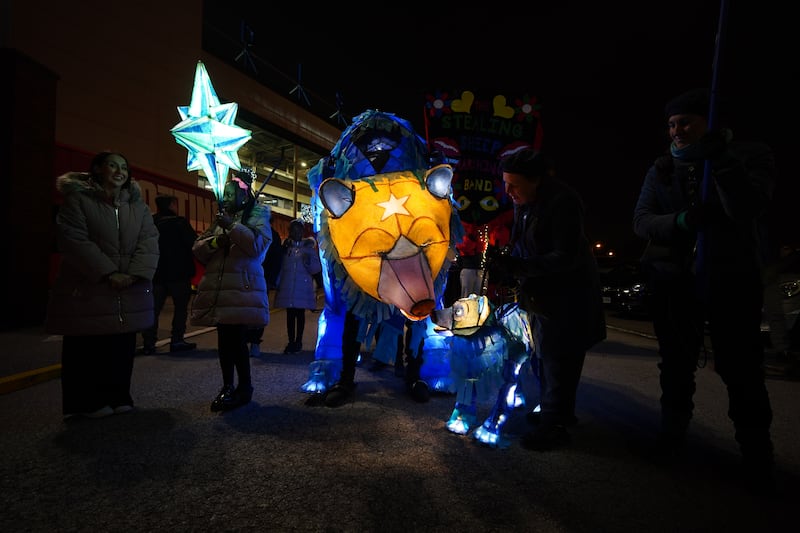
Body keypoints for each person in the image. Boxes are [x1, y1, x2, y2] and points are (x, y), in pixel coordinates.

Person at [633, 88, 777, 494]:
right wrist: (680, 221)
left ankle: (756, 454)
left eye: (686, 123)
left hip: (731, 277)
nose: (677, 131)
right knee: (675, 365)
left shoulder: (751, 155)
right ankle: (672, 439)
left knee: (741, 368)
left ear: (710, 122)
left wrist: (724, 162)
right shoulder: (662, 167)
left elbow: (748, 209)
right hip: (673, 281)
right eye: (672, 125)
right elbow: (642, 220)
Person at [492, 148, 606, 451]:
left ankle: (553, 426)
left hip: (567, 297)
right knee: (544, 359)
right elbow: (523, 244)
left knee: (558, 360)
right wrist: (509, 265)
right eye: (505, 183)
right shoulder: (526, 202)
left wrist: (522, 268)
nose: (508, 191)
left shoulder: (562, 202)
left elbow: (565, 257)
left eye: (514, 184)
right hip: (541, 295)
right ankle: (556, 414)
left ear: (536, 180)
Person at [45, 151, 159, 419]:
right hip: (89, 286)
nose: (119, 171)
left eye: (124, 167)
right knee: (87, 345)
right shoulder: (78, 200)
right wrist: (108, 273)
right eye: (112, 166)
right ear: (97, 169)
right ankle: (86, 402)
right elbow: (74, 240)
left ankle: (119, 395)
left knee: (121, 344)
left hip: (127, 287)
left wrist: (134, 273)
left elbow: (149, 241)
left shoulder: (138, 207)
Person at [191, 172, 272, 412]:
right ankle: (227, 386)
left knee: (236, 341)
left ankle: (244, 387)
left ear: (243, 194)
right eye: (224, 194)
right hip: (221, 287)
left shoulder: (259, 215)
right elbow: (198, 248)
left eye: (230, 194)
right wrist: (216, 242)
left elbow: (257, 247)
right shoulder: (221, 219)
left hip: (242, 287)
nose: (225, 198)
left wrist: (233, 227)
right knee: (224, 341)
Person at [141, 195, 197, 355]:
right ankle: (177, 340)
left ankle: (149, 343)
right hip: (179, 273)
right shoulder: (180, 223)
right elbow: (193, 244)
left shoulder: (151, 223)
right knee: (180, 309)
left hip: (157, 273)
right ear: (172, 205)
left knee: (153, 309)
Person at [274, 218, 322, 354]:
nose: (296, 232)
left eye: (299, 230)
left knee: (300, 314)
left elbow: (315, 268)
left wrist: (308, 261)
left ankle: (298, 341)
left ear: (302, 231)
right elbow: (281, 267)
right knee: (290, 315)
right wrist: (278, 283)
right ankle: (291, 341)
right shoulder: (286, 248)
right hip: (289, 285)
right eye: (293, 230)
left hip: (302, 287)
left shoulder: (308, 248)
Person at [246, 221, 283, 357]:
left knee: (253, 311)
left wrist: (272, 279)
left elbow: (276, 259)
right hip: (261, 278)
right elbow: (277, 259)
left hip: (259, 277)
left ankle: (253, 341)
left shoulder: (266, 234)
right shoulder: (270, 234)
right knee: (256, 311)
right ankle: (252, 341)